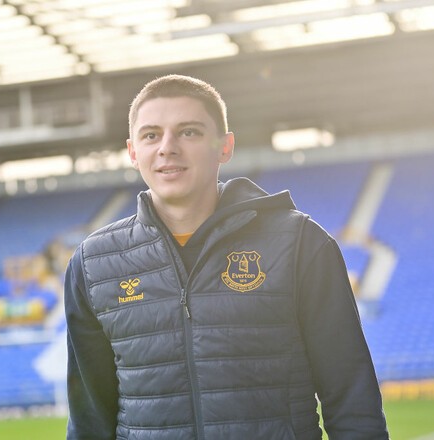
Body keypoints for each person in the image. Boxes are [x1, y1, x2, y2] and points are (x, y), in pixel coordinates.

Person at [64, 74, 389, 439]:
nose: (167, 148)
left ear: (225, 146)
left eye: (189, 132)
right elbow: (89, 421)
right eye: (151, 135)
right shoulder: (93, 263)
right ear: (133, 152)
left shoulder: (299, 243)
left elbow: (352, 402)